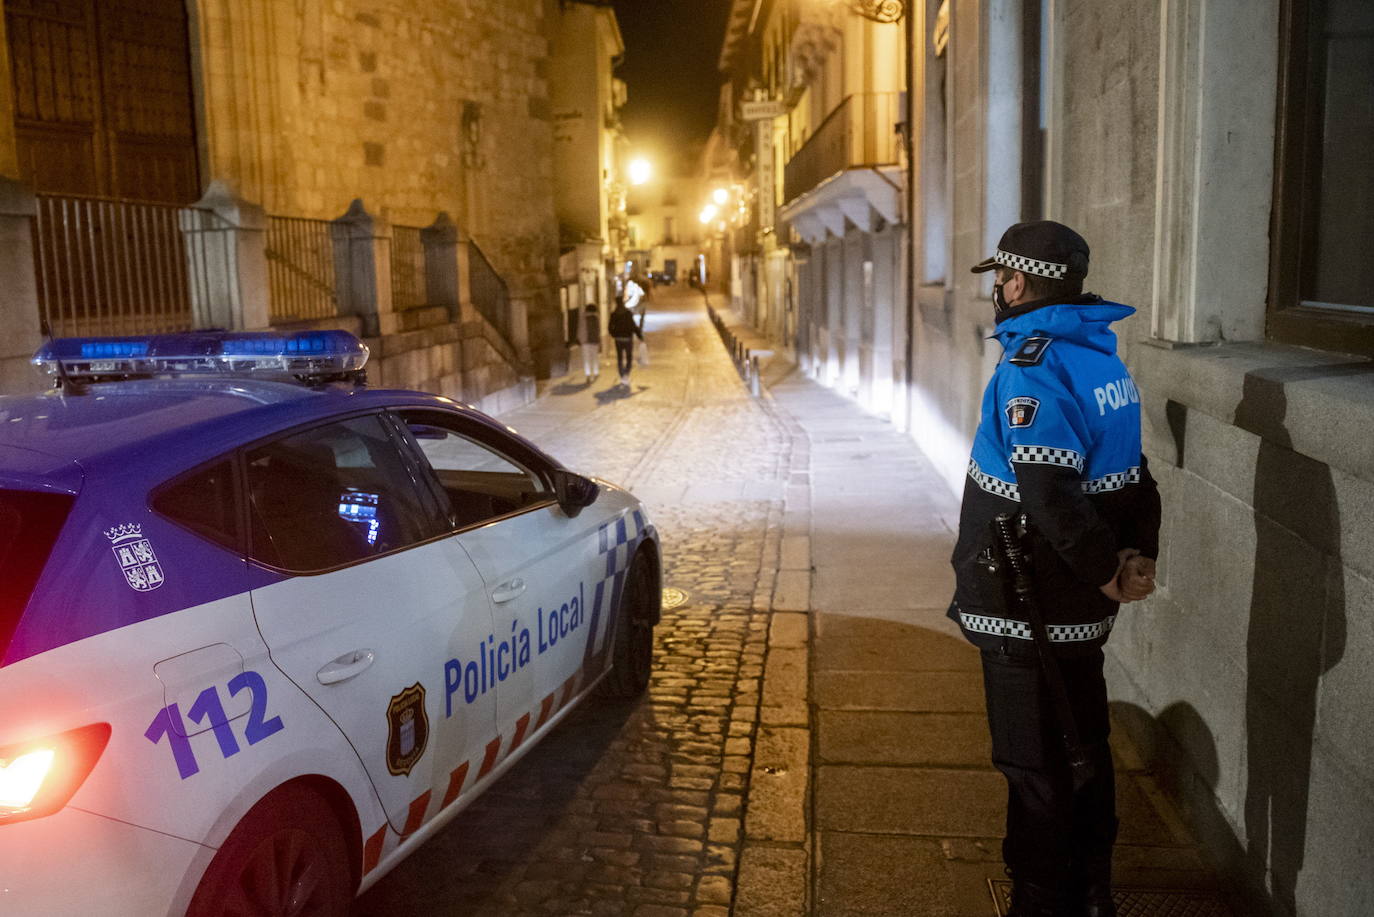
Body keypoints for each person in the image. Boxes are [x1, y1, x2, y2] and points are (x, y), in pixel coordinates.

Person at [948, 221, 1161, 917]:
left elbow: (1049, 493)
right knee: (1084, 746)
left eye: (1000, 281)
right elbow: (1136, 477)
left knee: (1032, 765)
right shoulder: (1102, 359)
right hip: (1076, 605)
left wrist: (1105, 570)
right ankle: (1094, 893)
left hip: (1025, 600)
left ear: (1015, 282)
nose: (998, 293)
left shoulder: (1031, 366)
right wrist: (1135, 559)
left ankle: (1041, 903)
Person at [608, 297, 644, 386]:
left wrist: (614, 334)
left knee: (620, 358)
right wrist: (640, 336)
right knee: (629, 357)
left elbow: (610, 327)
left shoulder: (614, 314)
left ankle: (622, 375)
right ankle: (626, 374)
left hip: (618, 339)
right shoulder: (628, 313)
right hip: (628, 339)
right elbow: (633, 326)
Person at [579, 302, 601, 383]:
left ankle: (588, 375)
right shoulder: (596, 318)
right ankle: (596, 373)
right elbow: (598, 330)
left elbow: (580, 329)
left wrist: (580, 340)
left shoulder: (583, 317)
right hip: (594, 341)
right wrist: (599, 340)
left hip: (585, 341)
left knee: (586, 359)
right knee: (594, 357)